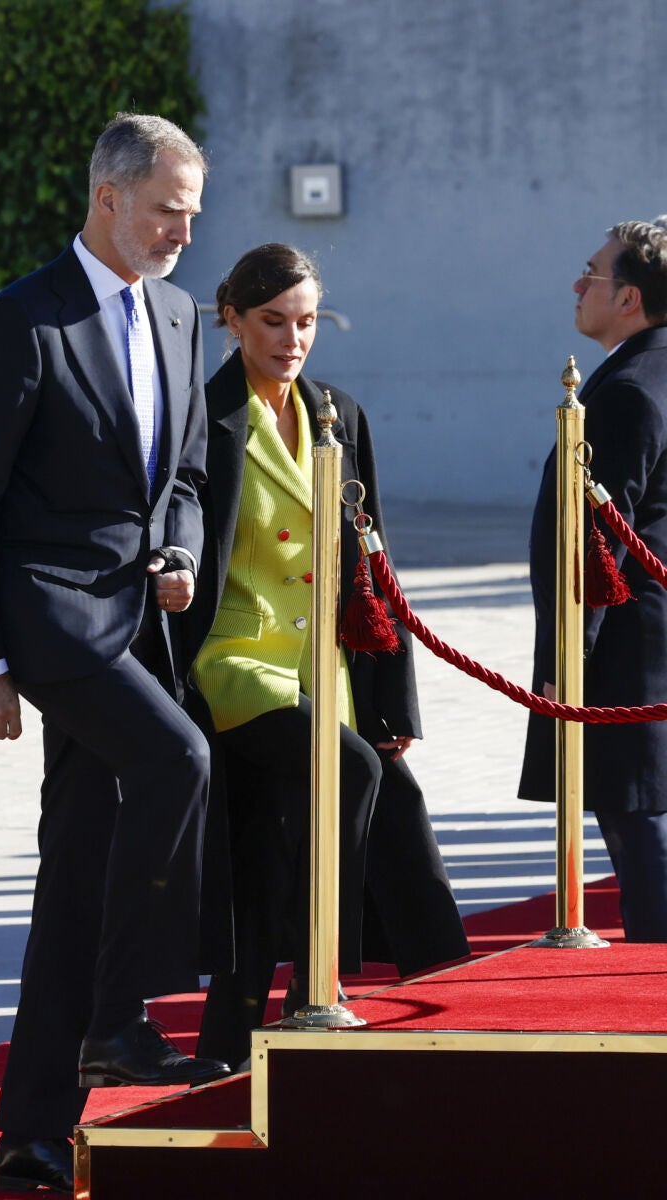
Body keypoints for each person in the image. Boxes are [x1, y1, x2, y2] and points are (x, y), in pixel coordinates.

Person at [0, 112, 231, 1196]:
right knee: (179, 761)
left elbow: (186, 479)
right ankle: (118, 1017)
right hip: (48, 617)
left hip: (136, 621)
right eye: (165, 212)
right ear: (107, 198)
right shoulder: (23, 320)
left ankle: (31, 1130)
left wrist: (182, 552)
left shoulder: (183, 313)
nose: (181, 234)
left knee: (72, 879)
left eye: (191, 216)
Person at [177, 243, 468, 1071]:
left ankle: (230, 1044)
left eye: (306, 322)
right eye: (273, 322)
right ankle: (319, 985)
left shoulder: (340, 412)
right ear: (231, 320)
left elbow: (375, 565)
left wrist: (393, 701)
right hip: (235, 660)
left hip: (326, 671)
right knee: (352, 772)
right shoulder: (206, 417)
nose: (292, 338)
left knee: (297, 837)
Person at [519, 220, 667, 943]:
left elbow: (595, 543)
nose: (578, 286)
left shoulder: (628, 392)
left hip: (630, 650)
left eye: (592, 273)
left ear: (631, 299)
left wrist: (563, 664)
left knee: (642, 828)